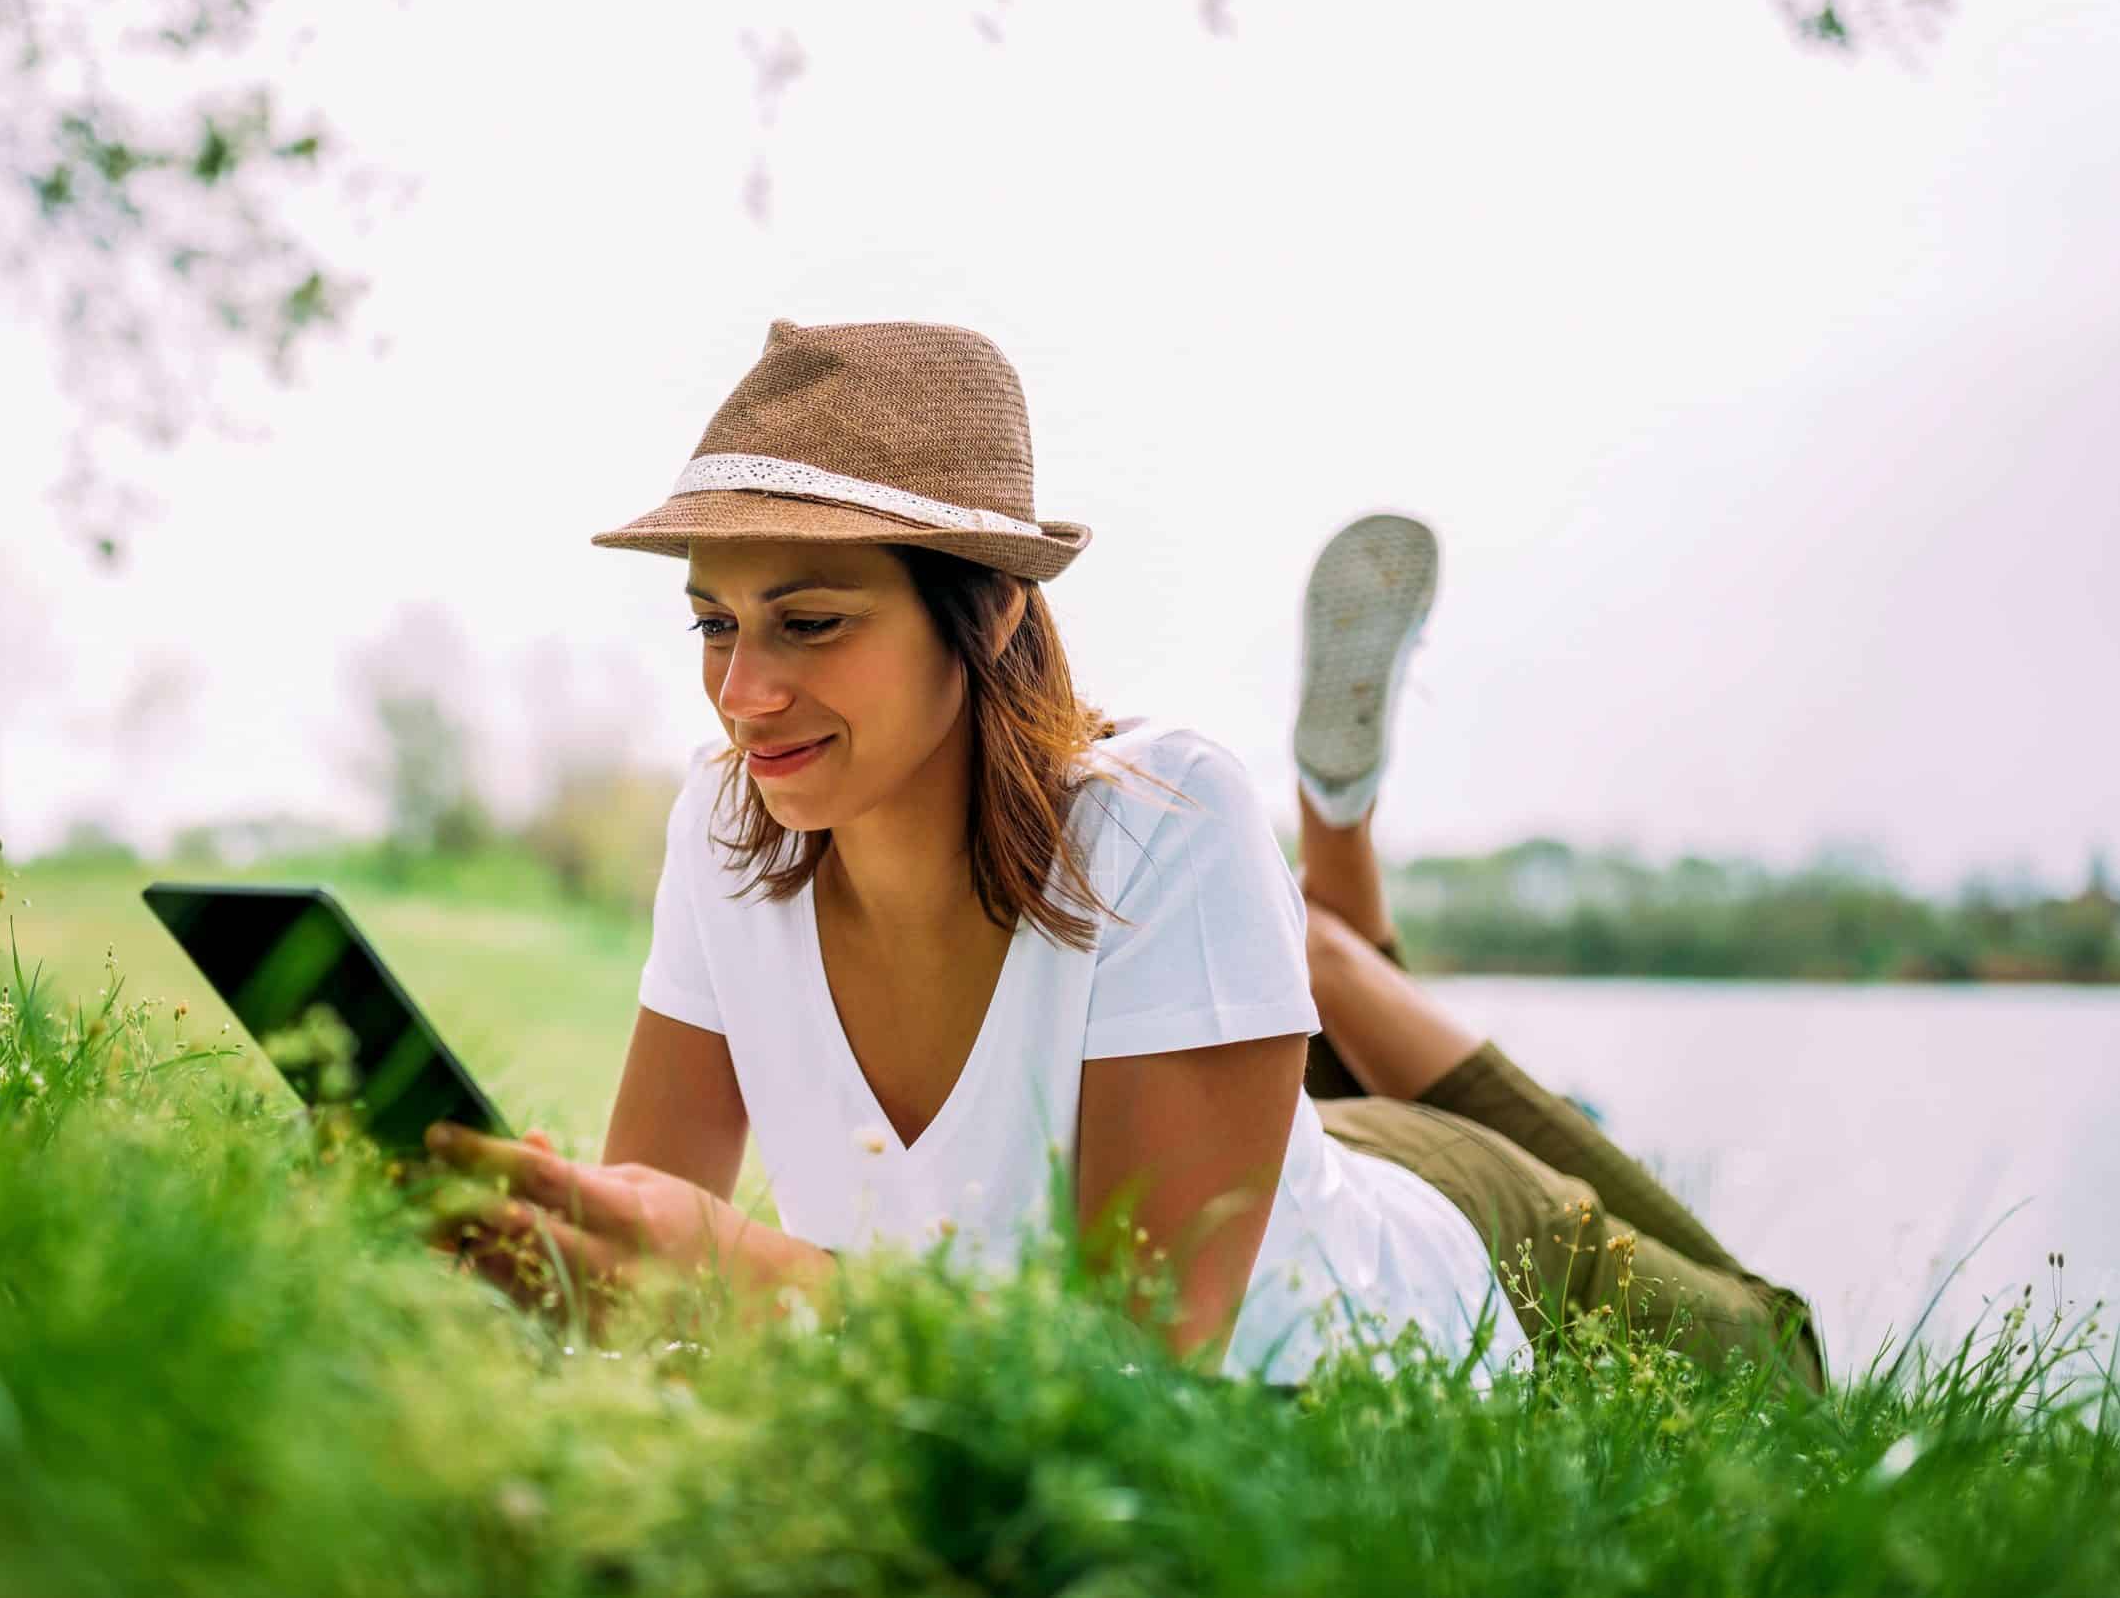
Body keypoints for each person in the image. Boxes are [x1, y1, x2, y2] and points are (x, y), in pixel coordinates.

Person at [426, 318, 1825, 1396]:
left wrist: (754, 1287)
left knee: (1781, 1352)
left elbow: (1140, 1374)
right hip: (1221, 1131)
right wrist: (581, 1261)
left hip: (1456, 1227)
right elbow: (645, 1247)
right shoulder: (725, 828)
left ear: (976, 619)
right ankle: (1321, 907)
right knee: (1270, 979)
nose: (743, 694)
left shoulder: (1166, 815)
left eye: (810, 623)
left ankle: (1332, 850)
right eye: (716, 625)